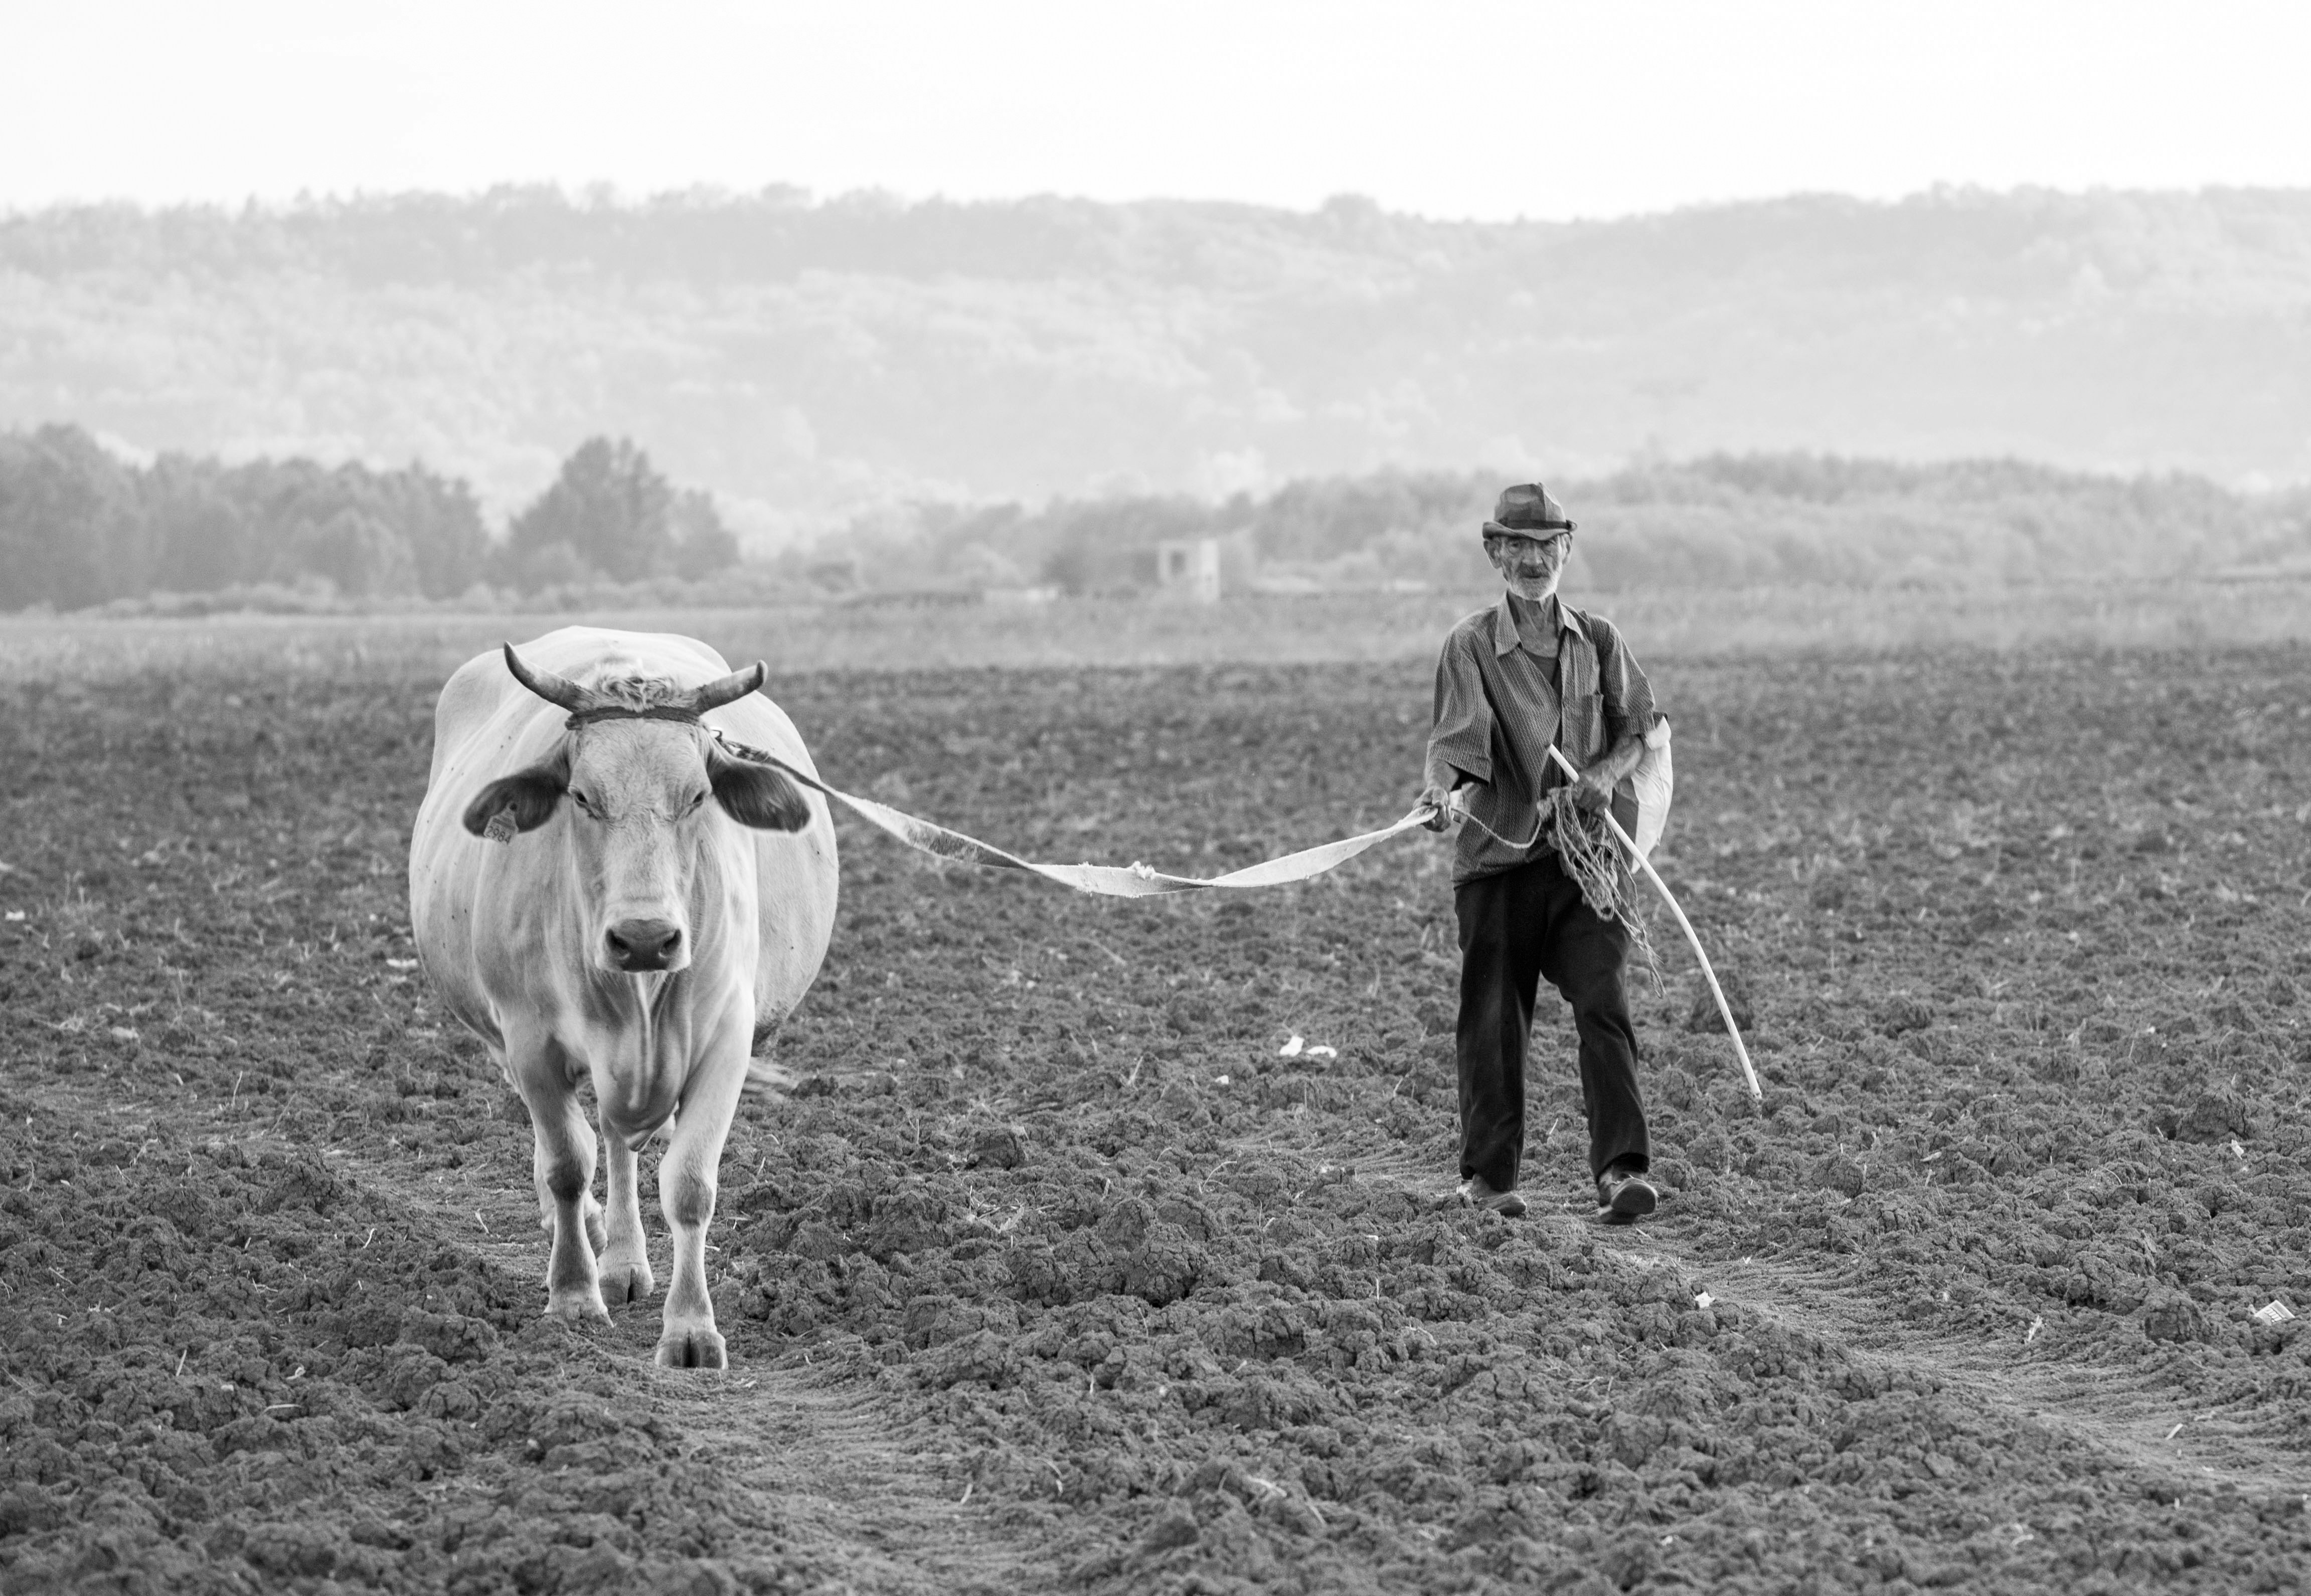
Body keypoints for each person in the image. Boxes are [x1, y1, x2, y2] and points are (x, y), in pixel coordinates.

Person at [1417, 482, 1666, 1222]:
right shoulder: (1471, 645)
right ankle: (1488, 1180)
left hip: (1585, 863)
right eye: (1518, 546)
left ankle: (1622, 1170)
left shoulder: (1599, 640)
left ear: (1567, 548)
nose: (1534, 560)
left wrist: (1604, 776)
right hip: (1500, 863)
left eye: (1546, 545)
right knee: (1494, 1021)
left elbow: (1640, 729)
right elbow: (1456, 746)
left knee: (1604, 1003)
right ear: (1495, 554)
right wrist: (1439, 793)